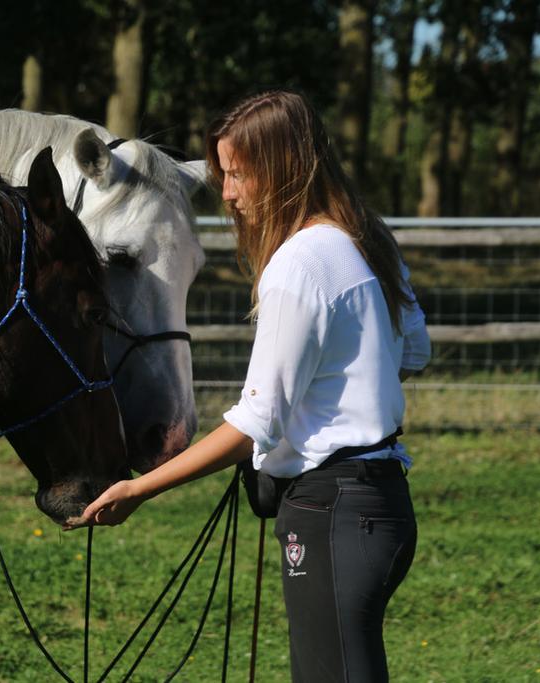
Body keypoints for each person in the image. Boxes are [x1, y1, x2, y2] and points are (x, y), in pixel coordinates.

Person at [67, 89, 431, 682]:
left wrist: (137, 491)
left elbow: (253, 426)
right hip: (382, 505)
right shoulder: (362, 240)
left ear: (283, 167)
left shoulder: (298, 263)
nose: (228, 194)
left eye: (238, 175)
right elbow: (414, 349)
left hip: (331, 511)